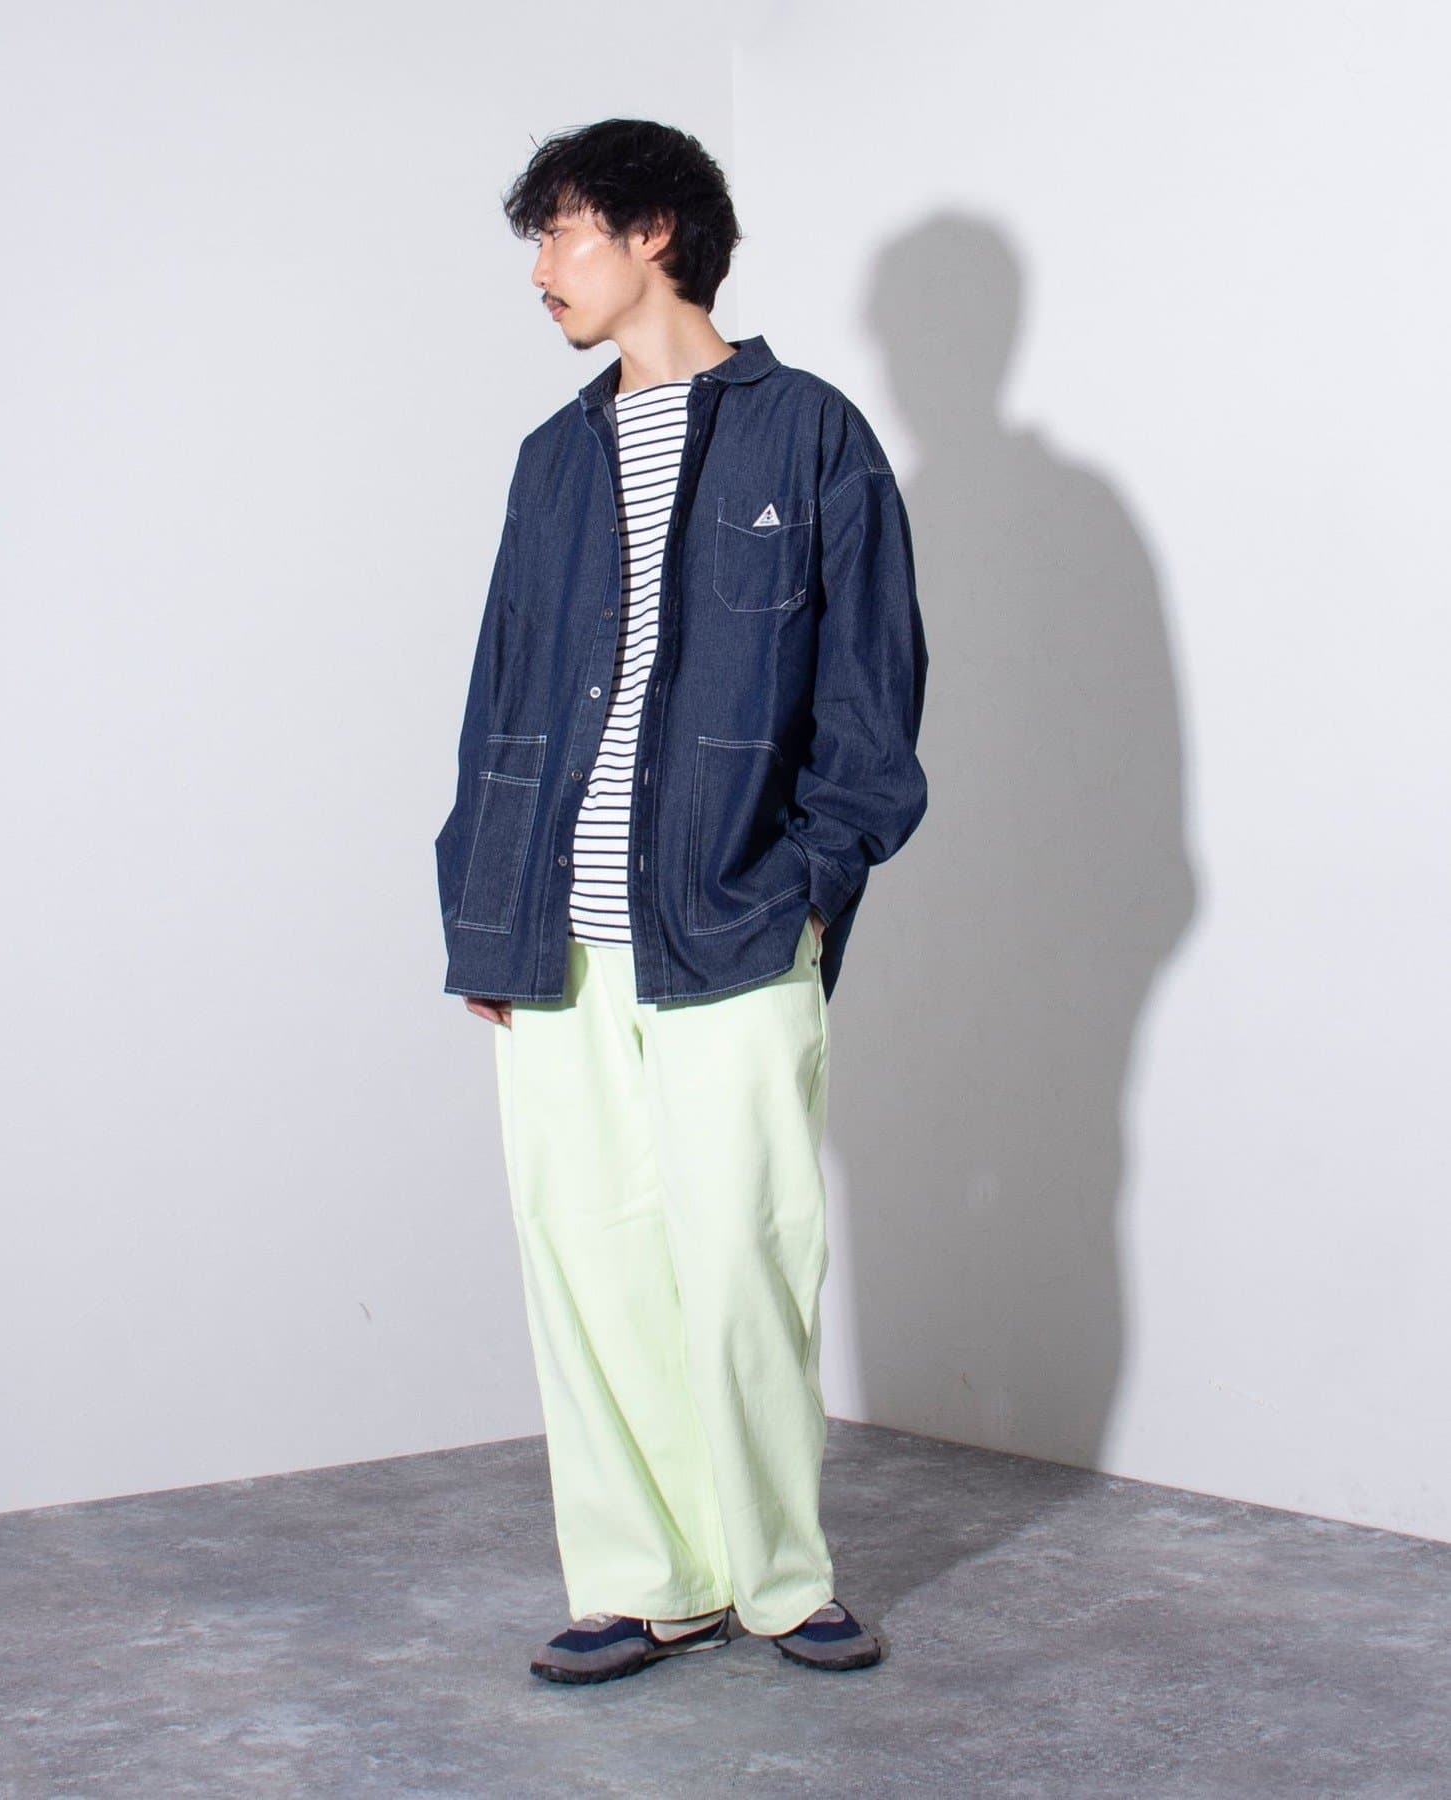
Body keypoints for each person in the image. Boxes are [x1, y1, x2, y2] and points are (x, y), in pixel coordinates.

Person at [433, 118, 929, 1684]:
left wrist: (809, 888)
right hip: (555, 932)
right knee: (589, 1265)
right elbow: (500, 699)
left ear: (654, 232)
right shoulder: (551, 459)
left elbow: (872, 702)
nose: (541, 267)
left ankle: (779, 1578)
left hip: (733, 925)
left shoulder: (812, 435)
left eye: (563, 231)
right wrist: (482, 907)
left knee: (743, 1262)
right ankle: (645, 1581)